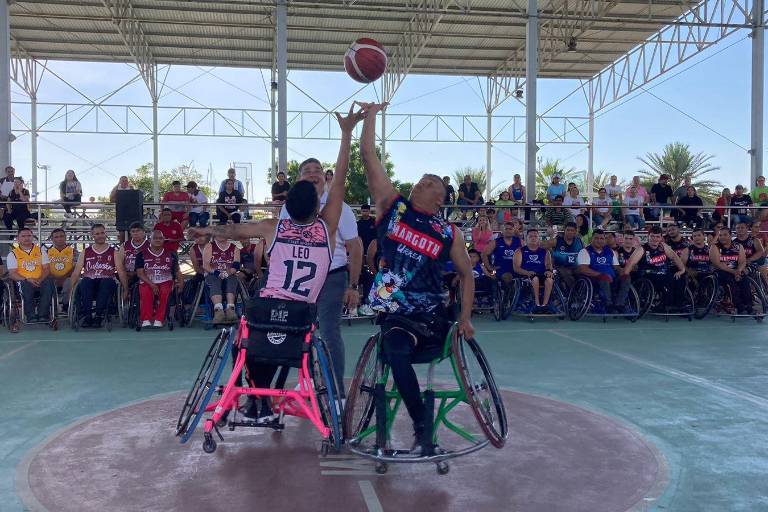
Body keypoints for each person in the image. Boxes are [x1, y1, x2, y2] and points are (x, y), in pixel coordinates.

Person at [190, 104, 363, 421]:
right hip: (302, 311)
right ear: (318, 207)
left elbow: (232, 229)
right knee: (304, 338)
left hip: (268, 307)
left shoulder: (274, 227)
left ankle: (257, 400)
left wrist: (205, 230)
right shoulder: (328, 228)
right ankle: (307, 396)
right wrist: (347, 133)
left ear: (287, 206)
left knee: (244, 342)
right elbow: (338, 180)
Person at [357, 101, 475, 455]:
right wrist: (370, 117)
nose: (417, 183)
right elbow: (367, 157)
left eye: (425, 183)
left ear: (438, 197)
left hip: (433, 316)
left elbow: (467, 275)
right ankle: (423, 427)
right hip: (397, 314)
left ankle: (424, 429)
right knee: (395, 352)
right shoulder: (394, 209)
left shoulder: (447, 232)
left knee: (407, 347)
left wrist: (466, 318)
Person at [277, 156, 364, 395]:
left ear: (325, 177)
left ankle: (336, 391)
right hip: (300, 275)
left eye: (318, 170)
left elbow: (356, 247)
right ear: (299, 179)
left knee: (328, 331)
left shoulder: (339, 207)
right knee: (298, 330)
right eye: (307, 171)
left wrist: (353, 285)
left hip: (331, 275)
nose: (314, 173)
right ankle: (307, 378)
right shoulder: (289, 207)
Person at [70, 224, 118, 327]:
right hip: (90, 282)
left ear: (106, 234)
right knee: (85, 281)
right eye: (97, 233)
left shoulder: (113, 252)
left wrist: (126, 289)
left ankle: (98, 316)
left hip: (107, 283)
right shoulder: (86, 252)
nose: (100, 235)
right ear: (92, 235)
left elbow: (121, 271)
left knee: (106, 281)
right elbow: (77, 271)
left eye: (102, 233)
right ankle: (87, 316)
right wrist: (71, 288)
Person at [6, 227, 55, 325]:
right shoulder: (13, 254)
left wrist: (40, 280)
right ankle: (31, 315)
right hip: (24, 281)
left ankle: (43, 315)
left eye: (29, 235)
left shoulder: (41, 251)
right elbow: (12, 273)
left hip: (40, 280)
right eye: (23, 236)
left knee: (49, 282)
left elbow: (46, 269)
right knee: (25, 285)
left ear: (32, 237)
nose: (26, 238)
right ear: (18, 239)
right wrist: (27, 279)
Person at [135, 229, 184, 328]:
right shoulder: (141, 254)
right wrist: (152, 284)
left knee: (165, 291)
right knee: (145, 292)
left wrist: (181, 282)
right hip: (147, 281)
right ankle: (146, 319)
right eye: (155, 238)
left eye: (160, 238)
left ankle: (159, 319)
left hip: (165, 280)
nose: (158, 240)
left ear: (164, 240)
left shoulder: (171, 254)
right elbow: (140, 273)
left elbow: (177, 271)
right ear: (150, 240)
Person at [577, 229, 631, 312]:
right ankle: (608, 305)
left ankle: (620, 304)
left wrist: (623, 271)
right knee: (604, 278)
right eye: (596, 238)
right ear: (592, 239)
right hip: (594, 280)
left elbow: (616, 268)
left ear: (605, 240)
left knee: (626, 277)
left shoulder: (610, 251)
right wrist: (600, 275)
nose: (599, 240)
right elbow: (583, 269)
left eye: (601, 238)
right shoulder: (585, 251)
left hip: (612, 278)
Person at [639, 226, 687, 311]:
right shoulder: (642, 248)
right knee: (667, 280)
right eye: (652, 236)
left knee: (680, 278)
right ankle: (666, 304)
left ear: (661, 237)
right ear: (648, 236)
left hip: (664, 273)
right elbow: (631, 263)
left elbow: (674, 256)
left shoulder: (663, 246)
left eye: (657, 236)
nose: (655, 239)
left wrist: (682, 270)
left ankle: (679, 304)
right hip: (650, 274)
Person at [202, 233, 241, 323]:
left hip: (229, 273)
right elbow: (205, 265)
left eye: (223, 232)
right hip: (213, 273)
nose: (221, 234)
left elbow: (236, 265)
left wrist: (228, 272)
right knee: (215, 280)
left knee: (232, 279)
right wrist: (217, 273)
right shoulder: (209, 246)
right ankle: (218, 310)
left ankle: (230, 309)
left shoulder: (234, 248)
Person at [710, 227, 751, 314]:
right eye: (720, 235)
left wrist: (739, 271)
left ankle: (748, 305)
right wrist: (734, 272)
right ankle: (739, 306)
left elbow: (742, 261)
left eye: (725, 235)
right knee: (729, 280)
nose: (722, 237)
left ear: (731, 235)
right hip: (720, 271)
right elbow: (717, 264)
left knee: (744, 279)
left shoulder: (738, 246)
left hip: (735, 271)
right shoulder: (715, 247)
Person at [514, 228, 555, 311]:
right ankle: (537, 304)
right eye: (530, 236)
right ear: (526, 238)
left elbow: (548, 265)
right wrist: (527, 272)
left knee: (550, 280)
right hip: (526, 276)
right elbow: (516, 268)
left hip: (542, 274)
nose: (533, 238)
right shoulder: (520, 251)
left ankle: (544, 305)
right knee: (535, 279)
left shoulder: (545, 252)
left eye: (535, 236)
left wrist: (549, 271)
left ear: (538, 238)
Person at [482, 221, 521, 295]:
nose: (508, 231)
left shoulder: (519, 241)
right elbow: (484, 254)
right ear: (502, 231)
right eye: (506, 229)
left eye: (510, 229)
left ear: (513, 231)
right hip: (502, 270)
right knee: (507, 277)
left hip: (517, 269)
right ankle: (507, 298)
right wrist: (489, 267)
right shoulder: (496, 242)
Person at [545, 221, 583, 290]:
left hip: (574, 266)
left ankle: (584, 292)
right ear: (564, 231)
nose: (570, 232)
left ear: (575, 232)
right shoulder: (556, 241)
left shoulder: (579, 241)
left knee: (584, 271)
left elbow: (585, 252)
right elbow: (542, 246)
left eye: (572, 230)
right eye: (568, 230)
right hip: (560, 267)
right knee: (567, 273)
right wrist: (549, 252)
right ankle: (573, 292)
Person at [47, 227, 77, 313]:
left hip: (68, 277)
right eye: (56, 237)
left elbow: (76, 267)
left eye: (61, 236)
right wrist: (53, 277)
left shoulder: (73, 251)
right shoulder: (47, 252)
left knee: (69, 282)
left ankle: (66, 306)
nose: (59, 238)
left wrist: (63, 277)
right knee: (46, 281)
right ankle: (49, 307)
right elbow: (44, 268)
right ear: (52, 239)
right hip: (52, 278)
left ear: (65, 237)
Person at [115, 221, 148, 297]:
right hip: (127, 273)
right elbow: (120, 262)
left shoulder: (149, 245)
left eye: (138, 231)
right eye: (133, 231)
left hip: (142, 273)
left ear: (143, 232)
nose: (136, 233)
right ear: (130, 233)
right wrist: (124, 272)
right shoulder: (125, 245)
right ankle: (126, 293)